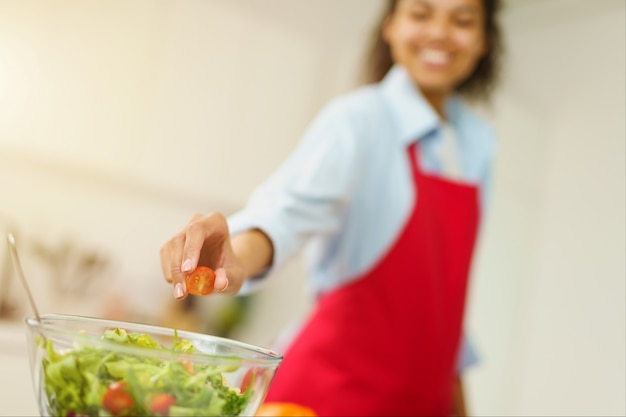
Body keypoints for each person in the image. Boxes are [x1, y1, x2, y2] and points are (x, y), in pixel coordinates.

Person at [159, 0, 503, 415]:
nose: (439, 32)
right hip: (328, 394)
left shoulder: (476, 146)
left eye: (462, 20)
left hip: (421, 401)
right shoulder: (359, 120)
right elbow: (282, 215)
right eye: (420, 13)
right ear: (390, 26)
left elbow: (444, 301)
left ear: (484, 39)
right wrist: (235, 254)